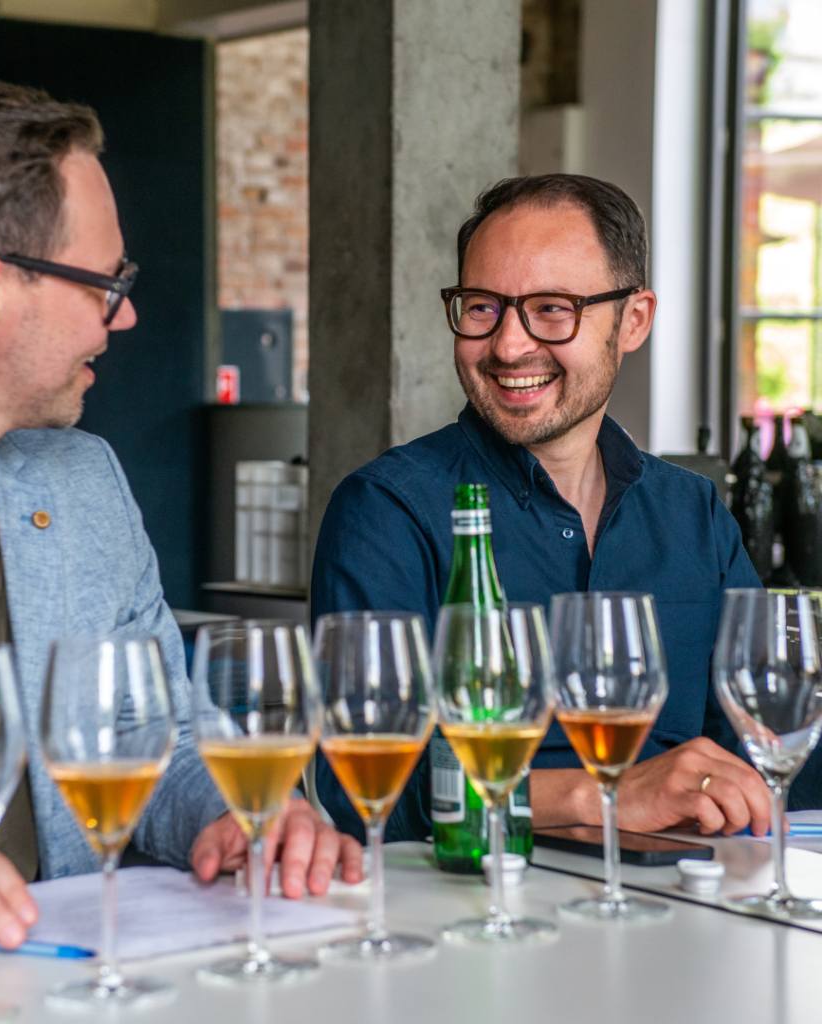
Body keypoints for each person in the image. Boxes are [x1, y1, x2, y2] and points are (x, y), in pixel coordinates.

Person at [0, 80, 359, 956]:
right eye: (106, 282)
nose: (125, 314)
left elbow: (157, 738)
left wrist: (238, 813)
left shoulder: (83, 482)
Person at [311, 172, 794, 844]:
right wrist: (604, 797)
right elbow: (361, 790)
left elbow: (764, 748)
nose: (509, 345)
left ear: (633, 320)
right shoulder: (388, 510)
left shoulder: (694, 513)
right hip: (474, 898)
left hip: (686, 894)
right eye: (483, 307)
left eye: (551, 308)